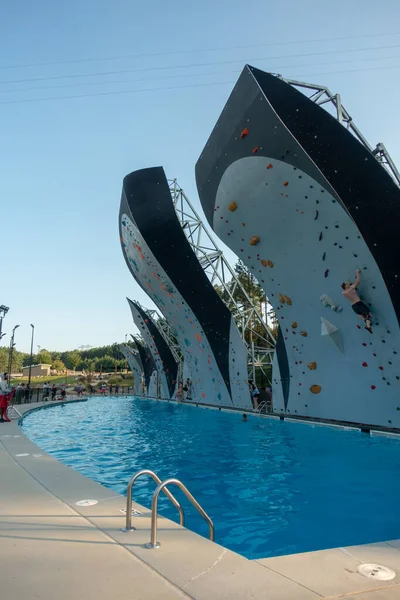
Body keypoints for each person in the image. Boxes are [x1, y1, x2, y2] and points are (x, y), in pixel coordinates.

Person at [341, 268, 372, 333]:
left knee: (364, 317)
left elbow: (346, 291)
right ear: (346, 286)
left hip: (354, 307)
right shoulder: (350, 289)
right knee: (368, 315)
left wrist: (350, 284)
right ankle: (368, 326)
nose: (348, 283)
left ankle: (367, 323)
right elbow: (358, 281)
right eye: (347, 283)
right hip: (358, 304)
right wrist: (357, 272)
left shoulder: (343, 293)